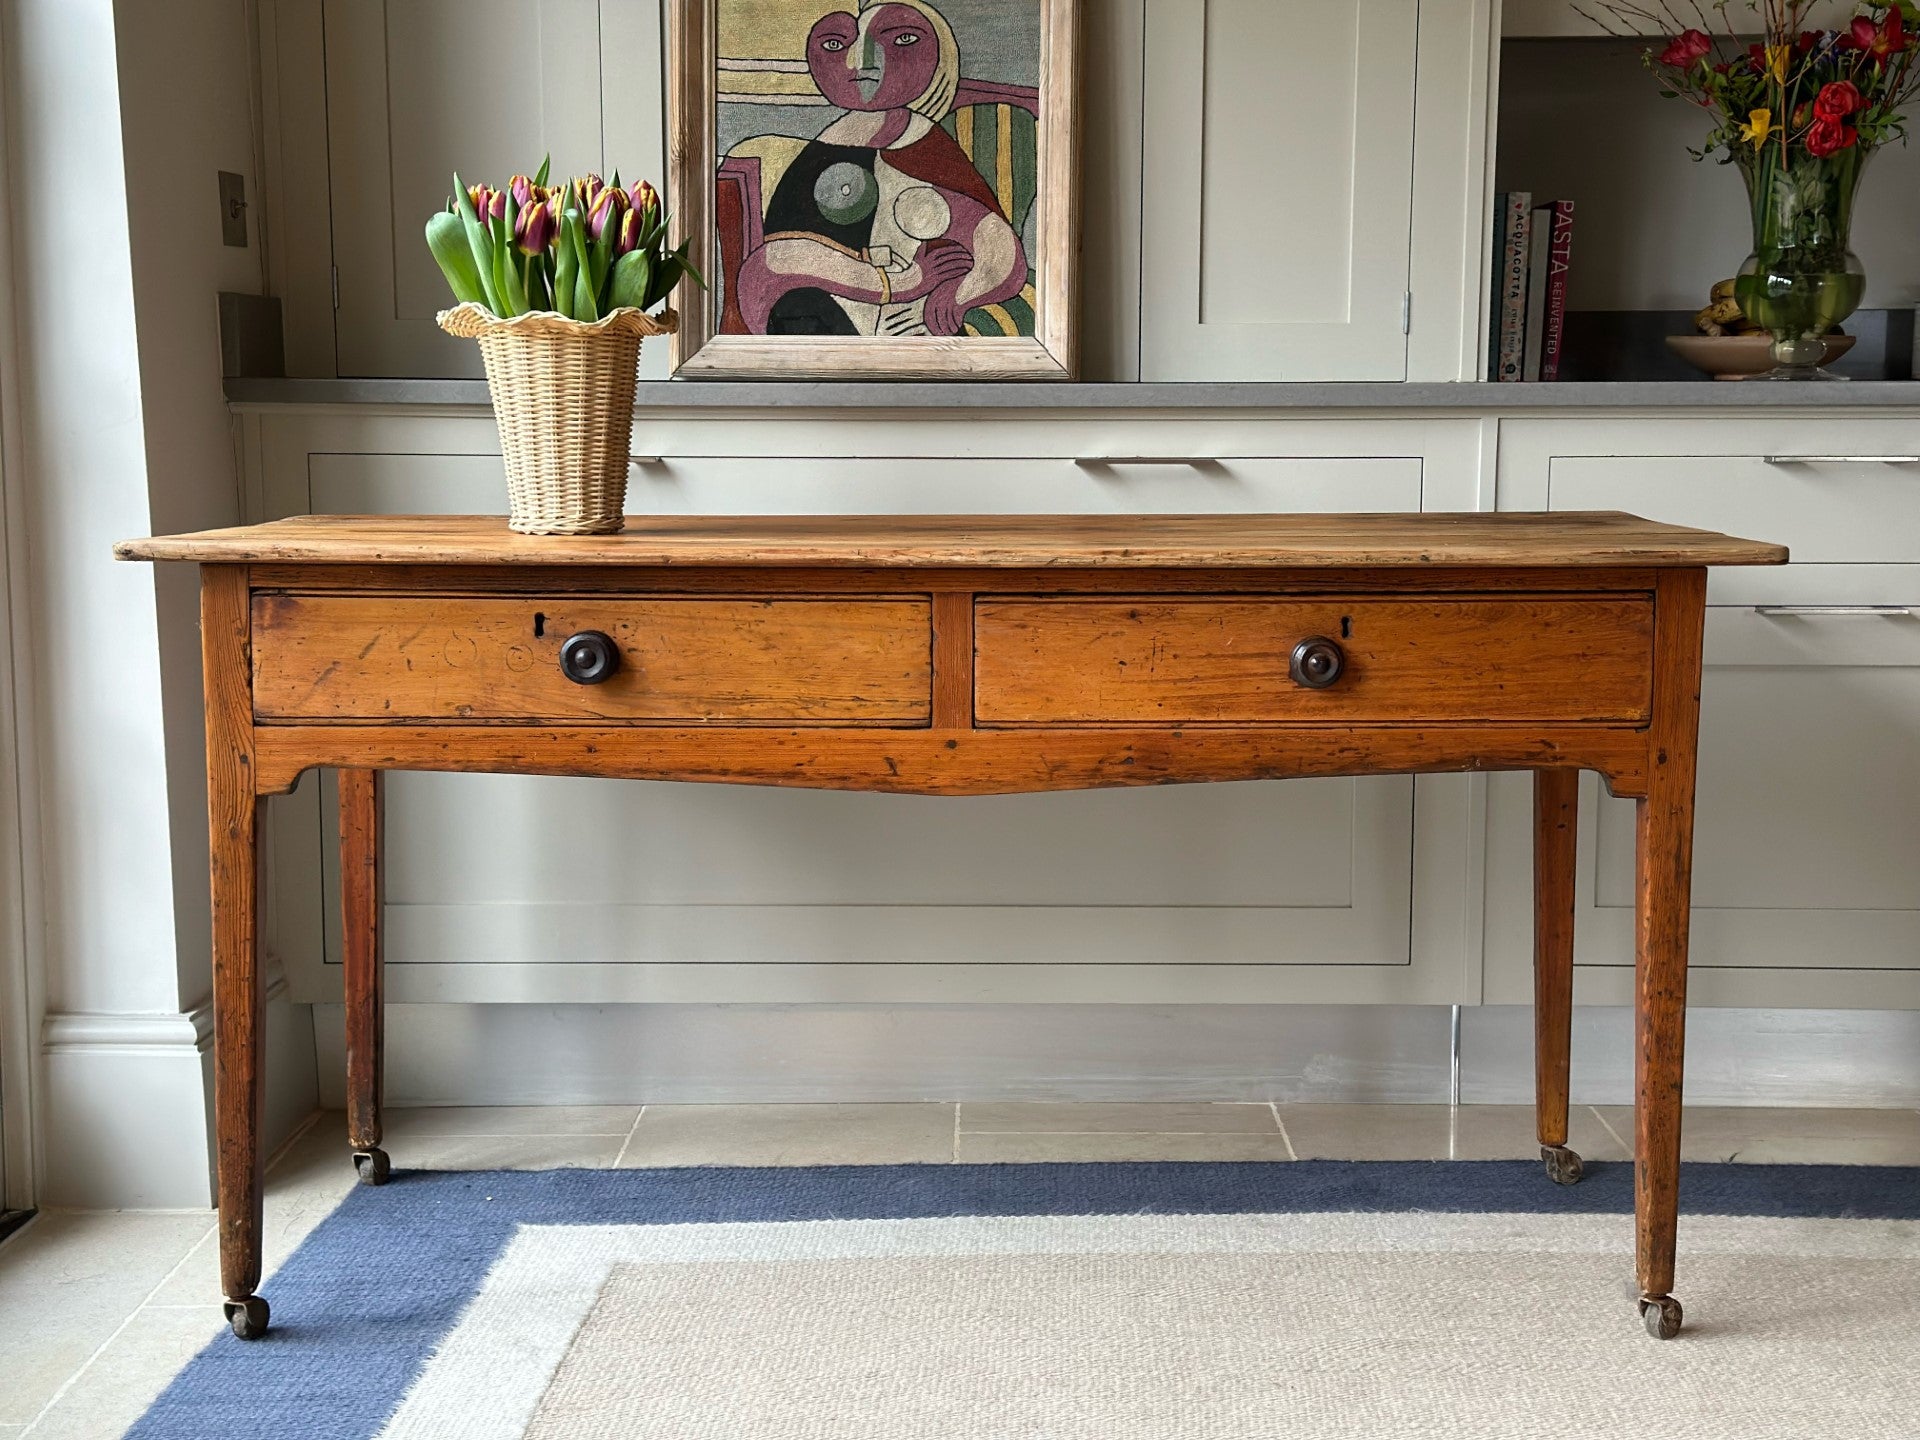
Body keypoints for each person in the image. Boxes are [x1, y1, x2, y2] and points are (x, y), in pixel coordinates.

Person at [733, 0, 1028, 337]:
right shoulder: (823, 150)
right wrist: (900, 283)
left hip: (910, 327)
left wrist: (957, 297)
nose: (862, 62)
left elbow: (999, 251)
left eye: (902, 40)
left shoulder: (927, 147)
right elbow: (773, 264)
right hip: (825, 318)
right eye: (835, 44)